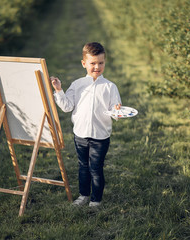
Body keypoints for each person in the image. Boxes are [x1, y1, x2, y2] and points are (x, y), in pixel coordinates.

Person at [50, 42, 122, 207]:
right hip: (80, 134)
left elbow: (116, 111)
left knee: (95, 168)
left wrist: (117, 111)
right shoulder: (77, 84)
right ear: (84, 64)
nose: (97, 67)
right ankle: (83, 195)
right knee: (83, 166)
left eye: (101, 63)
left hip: (100, 136)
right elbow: (67, 107)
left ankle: (95, 200)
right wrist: (59, 90)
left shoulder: (110, 87)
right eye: (93, 63)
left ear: (105, 62)